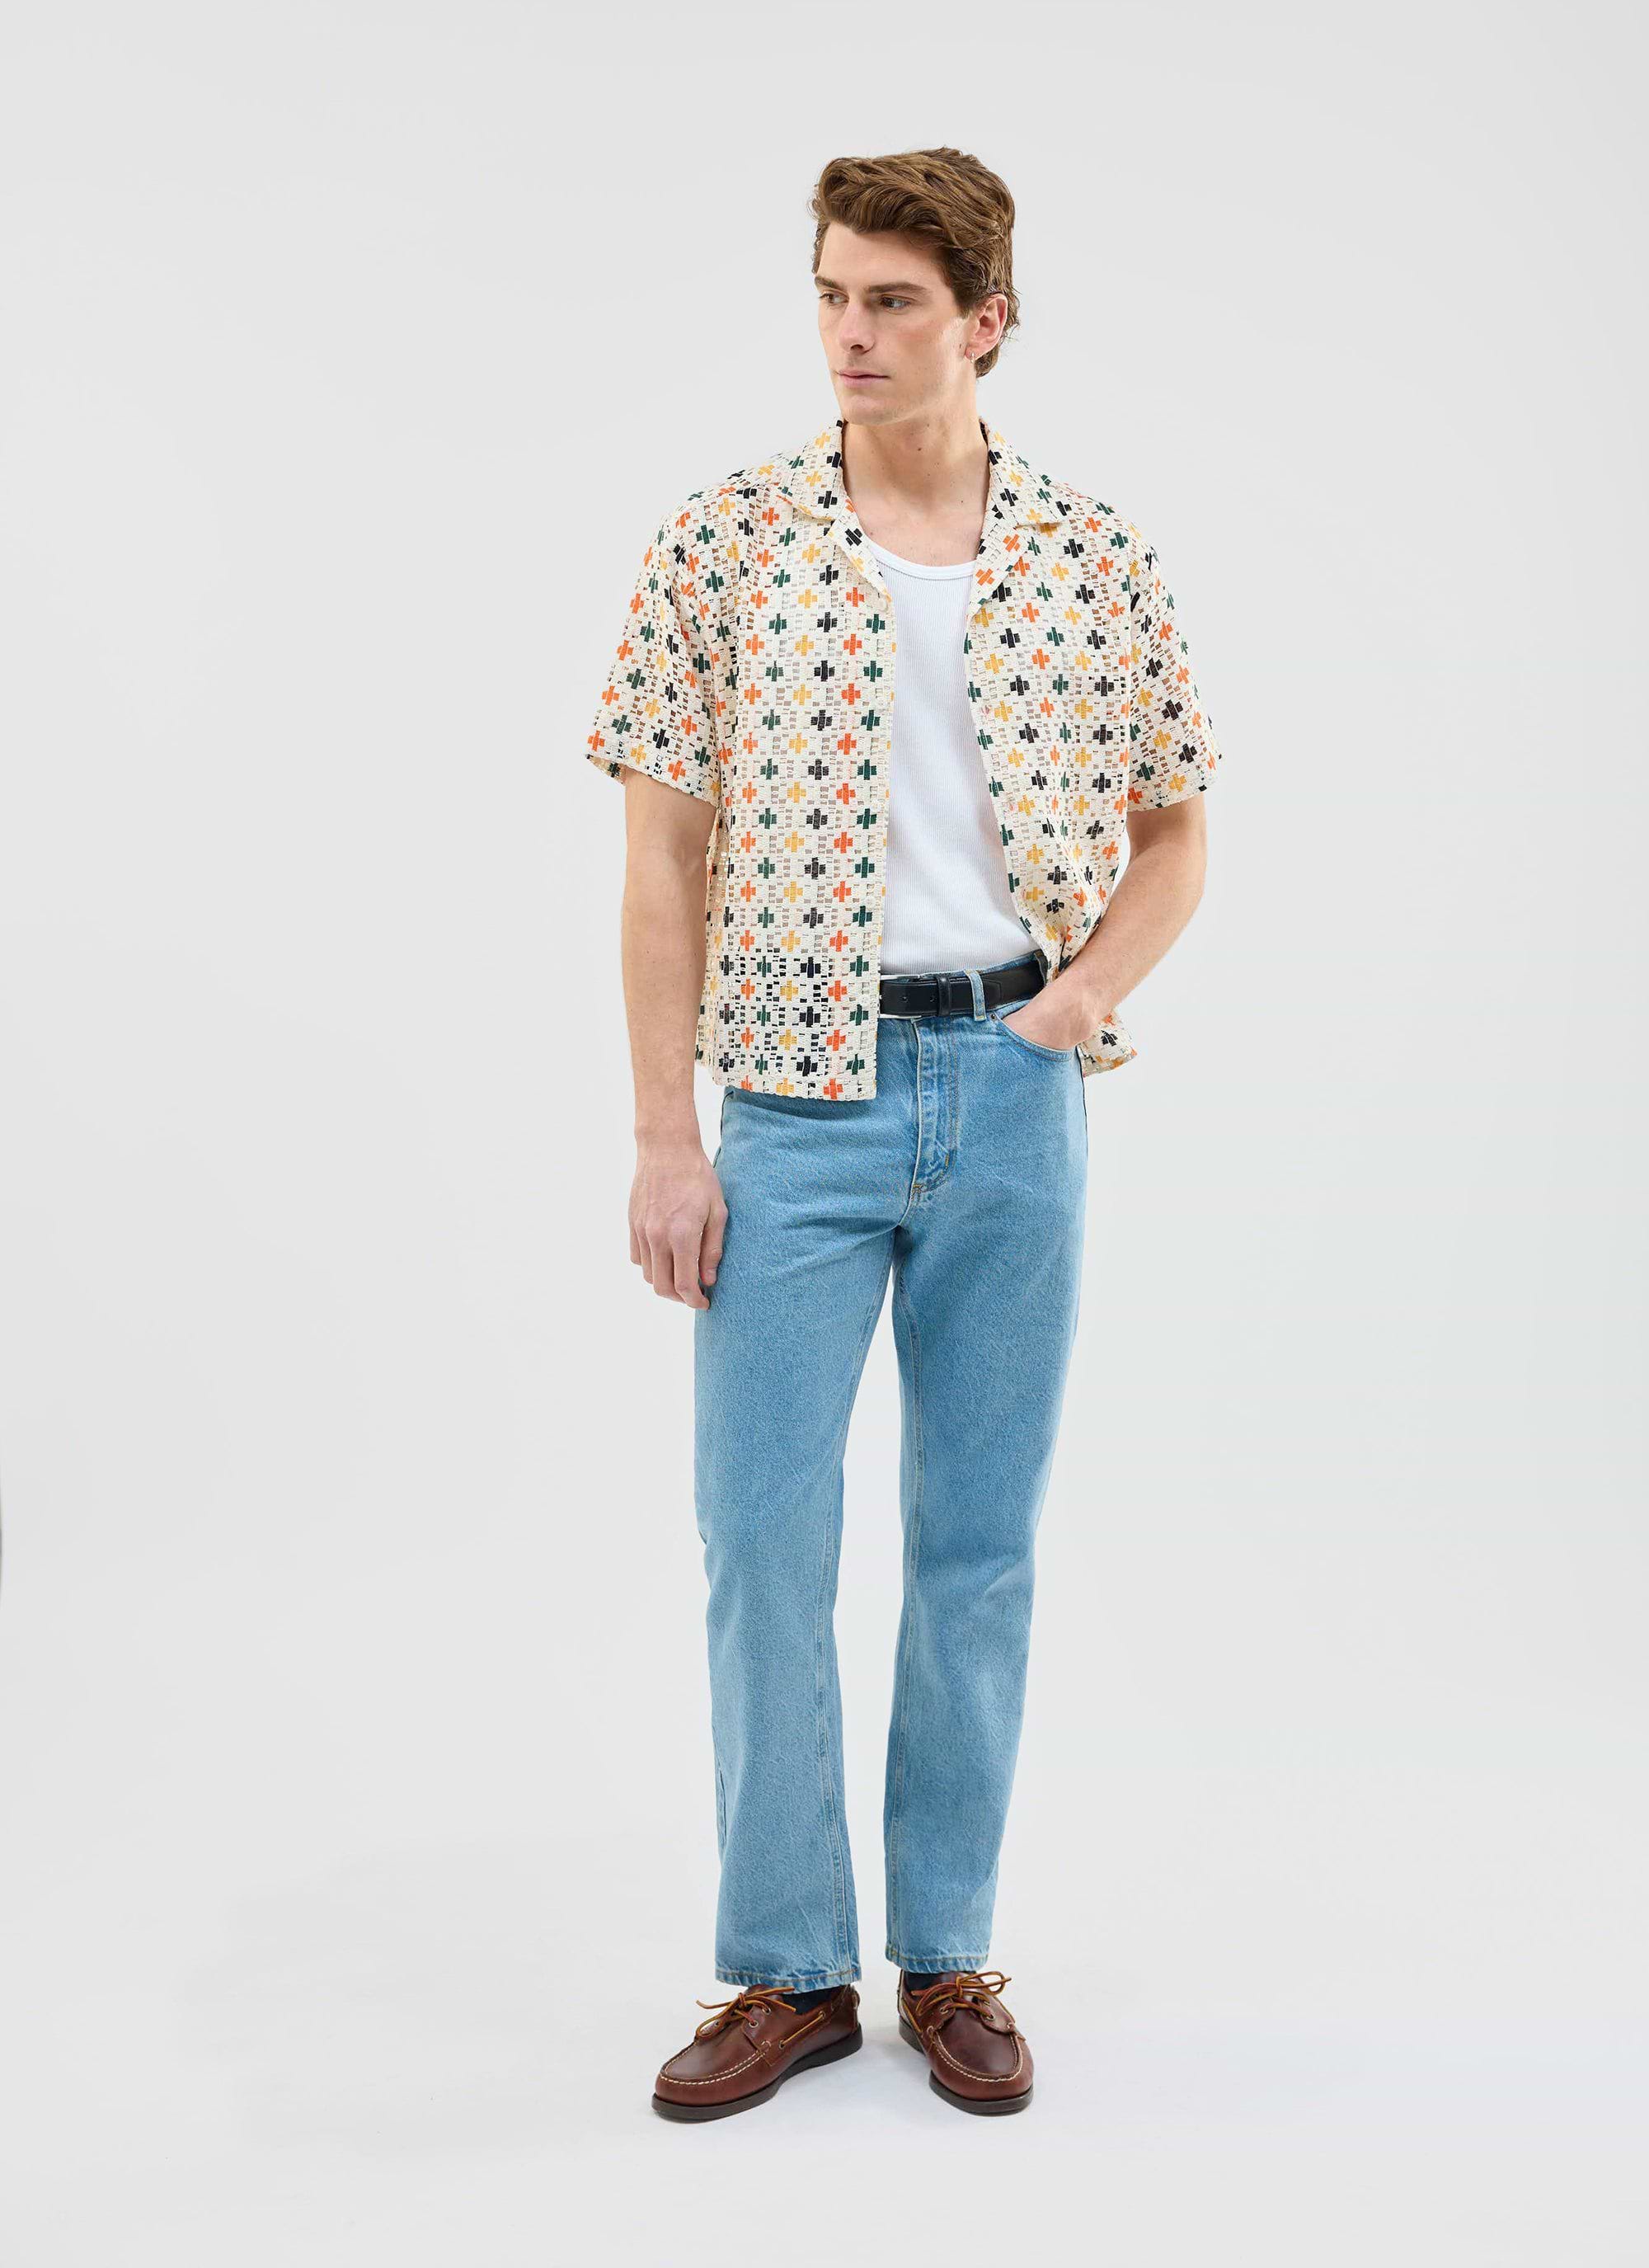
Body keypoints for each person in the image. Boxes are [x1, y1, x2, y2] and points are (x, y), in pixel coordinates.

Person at [584, 146, 1224, 2121]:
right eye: (833, 299)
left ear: (984, 322)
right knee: (761, 1538)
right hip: (792, 1098)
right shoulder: (725, 543)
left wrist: (1068, 1010)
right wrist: (662, 1134)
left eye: (892, 304)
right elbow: (658, 866)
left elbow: (1177, 829)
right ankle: (786, 1966)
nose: (852, 337)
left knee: (975, 1546)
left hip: (1012, 1098)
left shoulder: (1092, 553)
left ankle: (947, 1950)